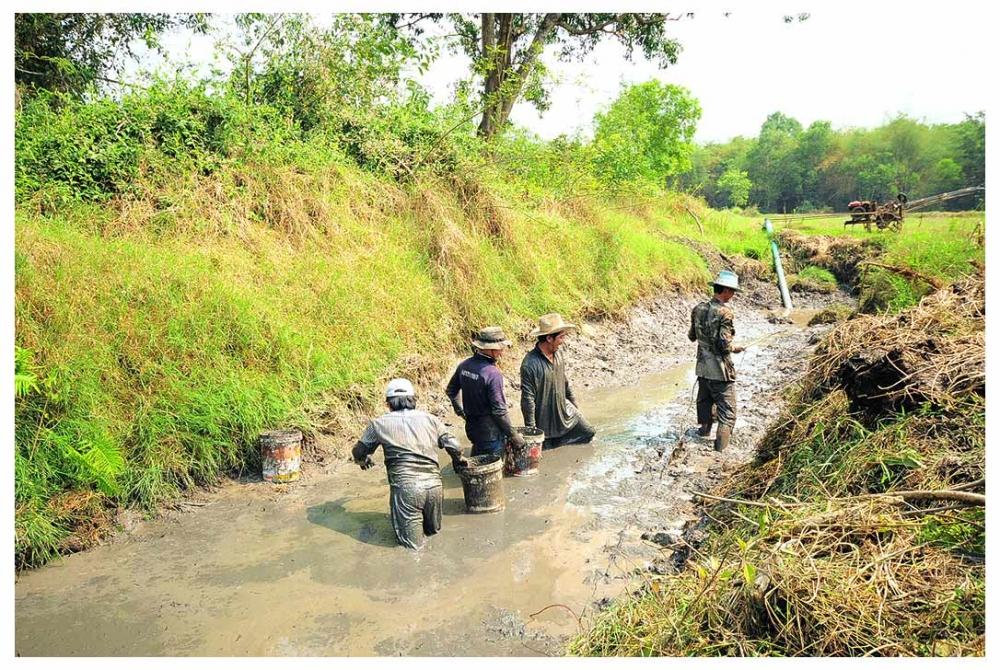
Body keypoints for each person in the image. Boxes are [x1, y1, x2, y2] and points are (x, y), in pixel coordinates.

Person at [352, 378, 469, 550]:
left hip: (406, 489)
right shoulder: (430, 419)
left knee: (412, 549)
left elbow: (358, 451)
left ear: (388, 403)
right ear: (413, 400)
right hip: (434, 487)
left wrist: (363, 460)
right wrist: (458, 461)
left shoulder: (378, 424)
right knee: (434, 536)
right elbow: (455, 446)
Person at [445, 327, 526, 458]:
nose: (502, 352)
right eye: (501, 348)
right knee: (492, 469)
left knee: (477, 459)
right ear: (491, 350)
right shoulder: (492, 374)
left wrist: (462, 412)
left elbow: (451, 390)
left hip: (472, 429)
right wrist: (514, 435)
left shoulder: (464, 366)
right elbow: (499, 411)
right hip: (491, 434)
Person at [687, 270, 746, 451]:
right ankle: (720, 450)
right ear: (726, 290)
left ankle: (704, 431)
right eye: (733, 292)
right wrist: (736, 348)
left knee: (704, 401)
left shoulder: (698, 308)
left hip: (702, 367)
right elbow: (723, 344)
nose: (733, 295)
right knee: (727, 413)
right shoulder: (725, 313)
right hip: (720, 370)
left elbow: (692, 336)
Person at [519, 313, 596, 449]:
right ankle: (554, 444)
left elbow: (564, 382)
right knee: (546, 448)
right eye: (561, 337)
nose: (563, 341)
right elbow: (527, 400)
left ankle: (560, 445)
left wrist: (575, 405)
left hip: (565, 410)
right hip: (545, 418)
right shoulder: (530, 364)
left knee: (588, 432)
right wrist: (531, 430)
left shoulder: (558, 353)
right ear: (549, 338)